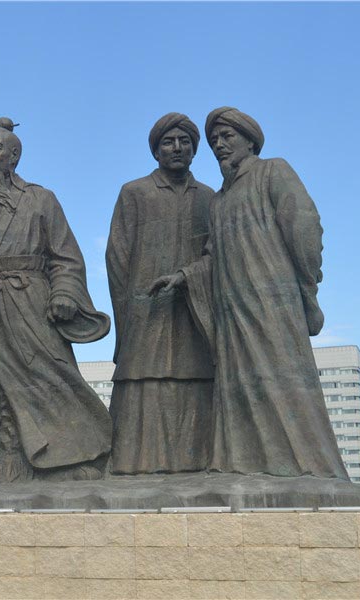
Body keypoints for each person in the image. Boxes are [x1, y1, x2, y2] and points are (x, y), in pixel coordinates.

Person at [150, 107, 347, 478]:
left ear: (250, 141)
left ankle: (308, 465)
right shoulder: (220, 200)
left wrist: (307, 287)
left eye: (227, 137)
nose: (219, 145)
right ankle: (244, 463)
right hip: (232, 308)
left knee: (283, 379)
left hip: (272, 301)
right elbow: (212, 256)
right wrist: (184, 276)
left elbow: (304, 227)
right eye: (214, 141)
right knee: (240, 384)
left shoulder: (273, 171)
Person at [0, 118, 112, 484]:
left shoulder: (41, 200)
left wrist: (64, 292)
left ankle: (73, 455)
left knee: (51, 375)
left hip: (31, 306)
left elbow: (65, 258)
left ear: (14, 156)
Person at [105, 113, 215, 474]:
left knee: (195, 377)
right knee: (143, 379)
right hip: (145, 311)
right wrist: (127, 314)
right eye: (168, 142)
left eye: (185, 141)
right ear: (156, 151)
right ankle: (132, 464)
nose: (177, 148)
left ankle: (197, 463)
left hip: (194, 312)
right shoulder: (135, 192)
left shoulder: (210, 198)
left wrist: (190, 278)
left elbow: (217, 256)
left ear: (195, 149)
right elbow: (117, 256)